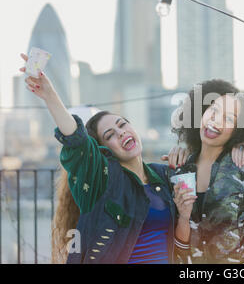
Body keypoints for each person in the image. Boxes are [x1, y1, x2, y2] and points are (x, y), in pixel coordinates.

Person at [19, 54, 192, 264]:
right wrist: (50, 95)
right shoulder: (103, 182)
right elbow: (77, 141)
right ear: (102, 150)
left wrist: (183, 215)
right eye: (109, 135)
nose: (120, 132)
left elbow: (180, 245)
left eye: (122, 124)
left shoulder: (163, 176)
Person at [172, 79, 244, 264]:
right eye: (213, 110)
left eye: (229, 118)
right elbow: (179, 247)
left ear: (239, 130)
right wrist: (183, 217)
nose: (215, 120)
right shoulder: (180, 172)